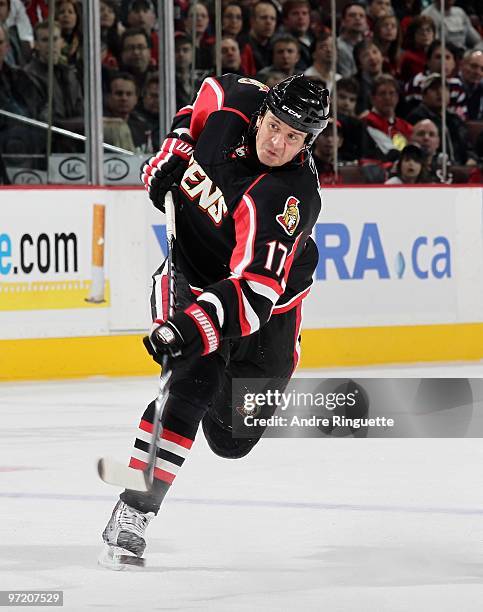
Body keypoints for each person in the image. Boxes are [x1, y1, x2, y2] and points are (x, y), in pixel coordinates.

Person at [99, 73, 329, 568]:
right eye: (274, 126)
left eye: (294, 138)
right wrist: (176, 148)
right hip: (191, 280)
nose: (277, 142)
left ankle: (203, 382)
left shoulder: (288, 199)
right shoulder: (235, 98)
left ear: (309, 142)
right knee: (191, 383)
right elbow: (195, 110)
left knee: (231, 440)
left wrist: (187, 328)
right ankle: (134, 510)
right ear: (262, 110)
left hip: (265, 312)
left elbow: (252, 296)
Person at [336, 2, 368, 78]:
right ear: (343, 21)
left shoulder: (369, 45)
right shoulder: (336, 46)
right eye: (352, 15)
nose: (357, 18)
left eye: (361, 16)